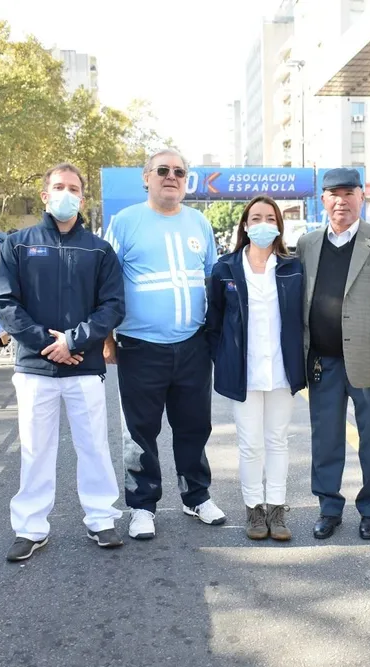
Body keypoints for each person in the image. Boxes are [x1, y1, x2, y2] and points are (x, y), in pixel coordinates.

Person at [0, 162, 126, 562]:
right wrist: (46, 344)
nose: (65, 193)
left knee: (94, 447)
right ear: (44, 194)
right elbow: (6, 304)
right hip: (35, 368)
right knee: (35, 449)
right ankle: (31, 528)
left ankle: (101, 518)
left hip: (85, 367)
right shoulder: (17, 244)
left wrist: (74, 340)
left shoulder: (99, 250)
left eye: (73, 188)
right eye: (58, 186)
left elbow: (113, 306)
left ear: (82, 197)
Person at [102, 148, 224, 540]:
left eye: (179, 172)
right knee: (140, 431)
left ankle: (196, 496)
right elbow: (105, 284)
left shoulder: (199, 223)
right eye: (163, 170)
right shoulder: (125, 222)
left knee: (193, 426)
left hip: (192, 345)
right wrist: (107, 338)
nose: (171, 176)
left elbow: (212, 281)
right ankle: (142, 505)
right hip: (140, 346)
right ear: (146, 177)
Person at [297, 168, 370, 542]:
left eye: (348, 192)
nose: (341, 200)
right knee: (325, 439)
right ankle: (329, 508)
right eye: (333, 193)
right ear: (323, 199)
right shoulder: (308, 244)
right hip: (322, 361)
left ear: (362, 197)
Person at [205, 196, 306, 542]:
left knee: (277, 440)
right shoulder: (225, 268)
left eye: (270, 218)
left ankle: (277, 510)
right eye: (256, 218)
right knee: (250, 444)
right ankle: (254, 510)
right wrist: (224, 359)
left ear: (278, 225)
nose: (263, 224)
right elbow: (213, 321)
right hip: (242, 371)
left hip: (282, 368)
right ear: (245, 226)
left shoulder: (293, 266)